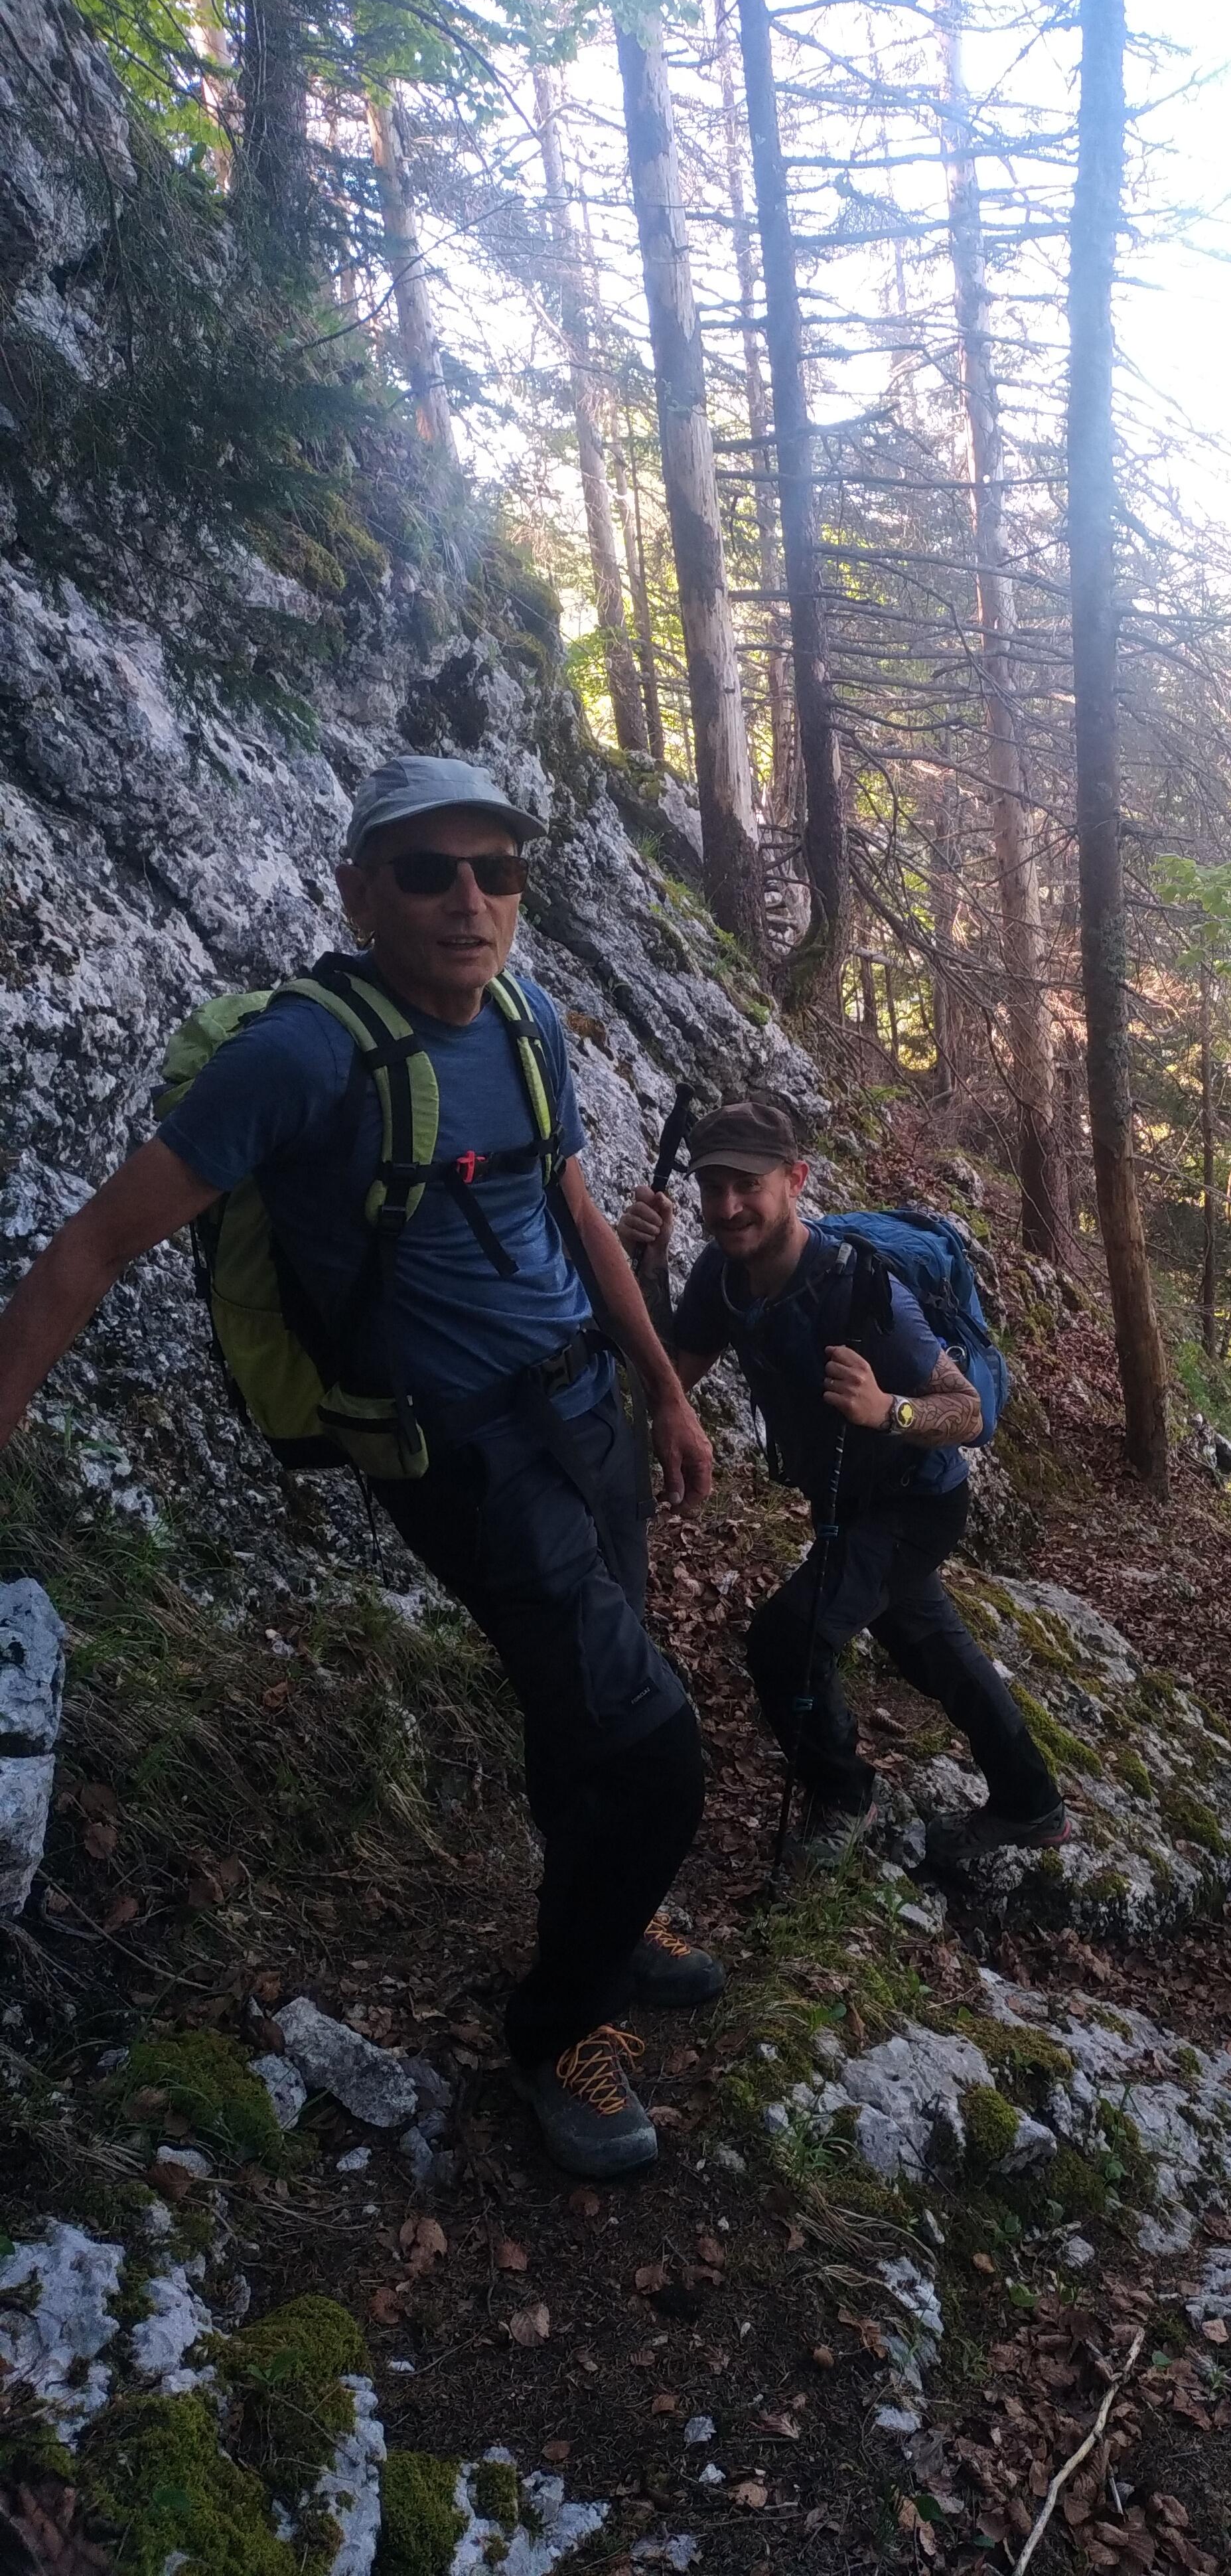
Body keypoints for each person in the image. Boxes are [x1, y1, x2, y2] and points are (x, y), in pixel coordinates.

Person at [0, 756, 723, 2182]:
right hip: (462, 1455)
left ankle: (602, 1907)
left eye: (496, 871)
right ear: (359, 891)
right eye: (427, 871)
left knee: (586, 1690)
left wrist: (661, 1386)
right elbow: (91, 1246)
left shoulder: (527, 1019)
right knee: (656, 1754)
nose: (469, 900)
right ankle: (557, 2029)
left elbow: (575, 1205)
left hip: (586, 1410)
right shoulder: (301, 1058)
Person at [622, 1100, 1068, 1868]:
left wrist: (887, 1409)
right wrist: (653, 1266)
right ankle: (1031, 1802)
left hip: (918, 1502)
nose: (728, 1207)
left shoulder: (863, 1290)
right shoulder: (724, 1276)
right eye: (714, 1187)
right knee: (930, 1648)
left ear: (795, 1180)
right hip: (845, 1500)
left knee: (785, 1639)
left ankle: (845, 1797)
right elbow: (671, 1378)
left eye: (748, 1185)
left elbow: (968, 1411)